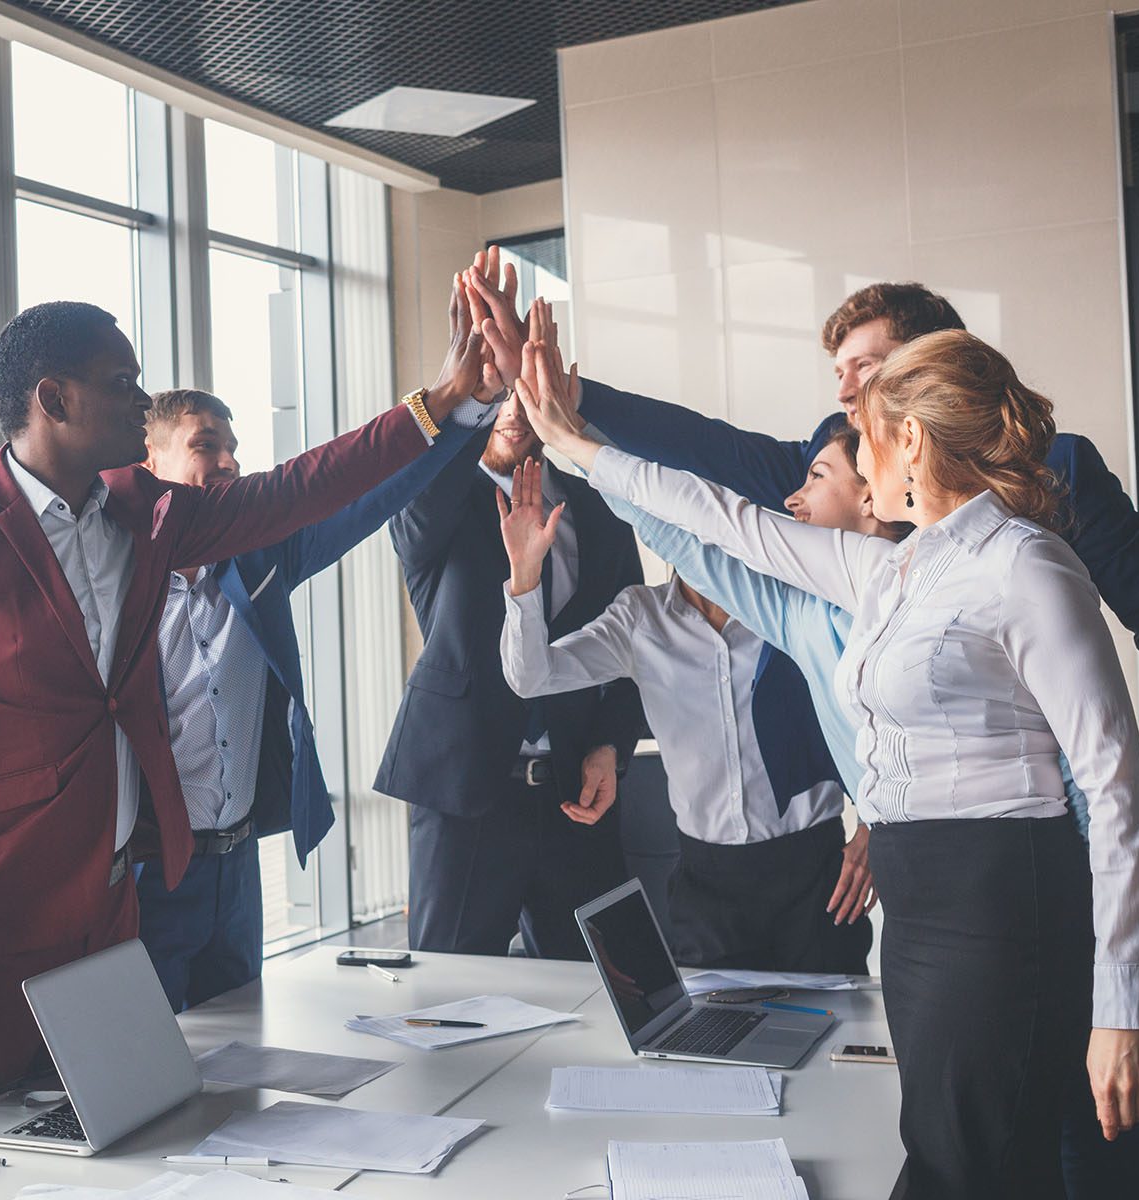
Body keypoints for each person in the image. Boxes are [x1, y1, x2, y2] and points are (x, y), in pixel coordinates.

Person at [469, 269, 1139, 1199]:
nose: (837, 449)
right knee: (973, 1159)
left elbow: (1106, 782)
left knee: (1008, 1162)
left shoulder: (1028, 563)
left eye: (855, 435)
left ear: (909, 434)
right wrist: (571, 436)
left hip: (1002, 898)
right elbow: (720, 516)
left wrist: (1123, 992)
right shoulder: (886, 572)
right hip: (919, 914)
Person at [0, 298, 488, 1136]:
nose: (139, 399)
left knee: (126, 1144)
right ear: (53, 399)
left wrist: (439, 404)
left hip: (116, 918)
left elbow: (301, 489)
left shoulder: (147, 517)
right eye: (122, 384)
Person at [134, 278, 495, 1011]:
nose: (230, 462)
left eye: (235, 448)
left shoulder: (261, 557)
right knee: (152, 1078)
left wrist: (469, 410)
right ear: (149, 465)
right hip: (144, 878)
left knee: (239, 1066)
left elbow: (370, 495)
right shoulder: (113, 583)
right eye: (207, 446)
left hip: (235, 873)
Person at [496, 450, 866, 974]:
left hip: (815, 874)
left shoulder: (793, 603)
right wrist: (525, 575)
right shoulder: (639, 619)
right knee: (715, 1047)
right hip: (707, 882)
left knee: (837, 1041)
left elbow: (866, 706)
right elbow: (532, 676)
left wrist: (876, 826)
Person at [376, 297, 645, 960]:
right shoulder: (437, 501)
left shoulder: (599, 509)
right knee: (448, 997)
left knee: (603, 993)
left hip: (575, 794)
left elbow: (636, 644)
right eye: (500, 393)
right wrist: (475, 390)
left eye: (524, 391)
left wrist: (612, 747)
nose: (513, 411)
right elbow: (411, 509)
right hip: (464, 788)